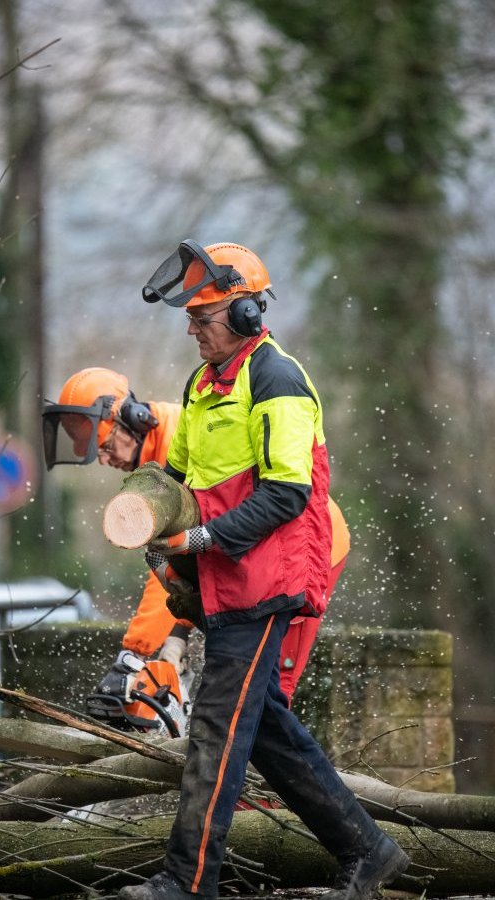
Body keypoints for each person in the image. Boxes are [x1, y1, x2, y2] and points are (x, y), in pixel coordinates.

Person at [114, 240, 410, 900]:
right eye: (189, 318)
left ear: (247, 314)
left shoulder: (277, 380)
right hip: (223, 584)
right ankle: (370, 850)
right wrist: (150, 507)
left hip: (265, 584)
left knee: (214, 735)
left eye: (204, 317)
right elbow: (182, 476)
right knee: (269, 731)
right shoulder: (200, 386)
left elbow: (287, 494)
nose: (192, 330)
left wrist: (202, 537)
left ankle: (187, 882)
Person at [42, 366, 349, 704]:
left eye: (107, 445)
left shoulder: (177, 447)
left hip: (304, 543)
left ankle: (272, 753)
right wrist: (175, 637)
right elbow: (177, 567)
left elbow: (183, 554)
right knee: (243, 685)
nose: (105, 459)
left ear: (133, 419)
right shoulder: (151, 469)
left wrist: (135, 653)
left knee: (269, 686)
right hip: (253, 550)